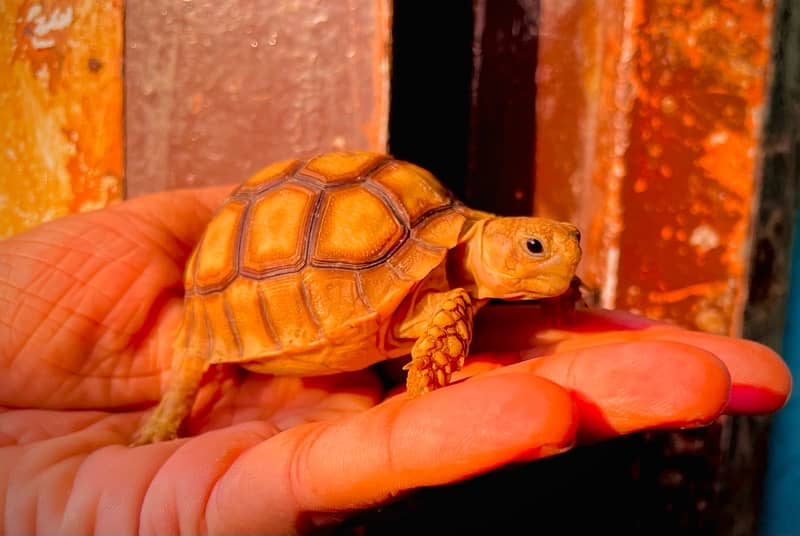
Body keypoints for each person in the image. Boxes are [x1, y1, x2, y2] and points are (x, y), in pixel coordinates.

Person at [0, 185, 791, 535]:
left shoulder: (476, 258)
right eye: (536, 250)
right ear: (489, 240)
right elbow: (441, 301)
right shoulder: (443, 288)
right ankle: (172, 408)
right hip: (261, 295)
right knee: (438, 312)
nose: (553, 265)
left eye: (557, 252)